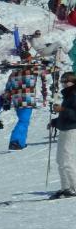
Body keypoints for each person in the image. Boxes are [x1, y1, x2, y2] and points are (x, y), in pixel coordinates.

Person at [2, 56, 46, 150]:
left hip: (17, 101)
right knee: (23, 121)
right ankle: (15, 141)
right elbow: (46, 71)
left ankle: (21, 143)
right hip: (27, 100)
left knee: (24, 121)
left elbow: (7, 89)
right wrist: (49, 64)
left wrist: (6, 101)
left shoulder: (13, 74)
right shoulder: (32, 70)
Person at [48, 71, 76, 199]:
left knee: (67, 160)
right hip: (64, 129)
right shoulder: (68, 95)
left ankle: (74, 187)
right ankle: (66, 187)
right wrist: (55, 122)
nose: (64, 84)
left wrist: (63, 110)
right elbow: (65, 115)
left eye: (66, 81)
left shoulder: (74, 95)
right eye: (62, 81)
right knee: (60, 160)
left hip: (72, 130)